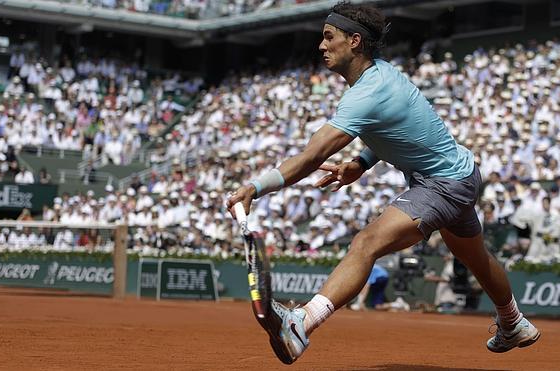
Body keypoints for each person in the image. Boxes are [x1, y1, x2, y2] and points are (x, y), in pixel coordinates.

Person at [227, 2, 539, 364]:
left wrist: (254, 187)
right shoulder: (382, 75)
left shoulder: (366, 94)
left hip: (442, 184)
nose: (321, 46)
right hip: (461, 173)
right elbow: (393, 131)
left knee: (366, 244)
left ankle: (301, 324)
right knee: (477, 261)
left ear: (355, 41)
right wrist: (360, 162)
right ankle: (513, 322)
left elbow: (311, 156)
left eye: (329, 37)